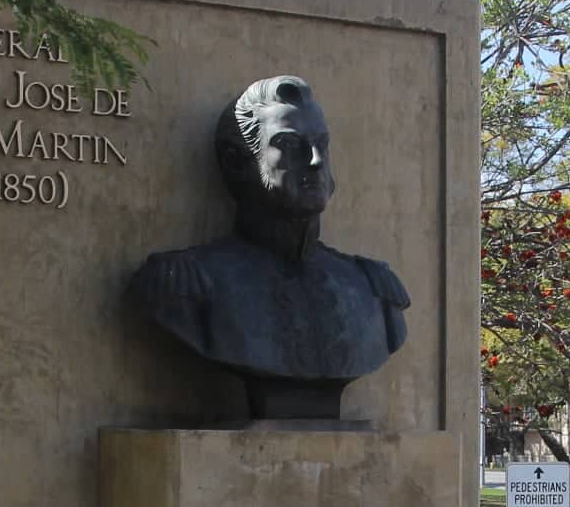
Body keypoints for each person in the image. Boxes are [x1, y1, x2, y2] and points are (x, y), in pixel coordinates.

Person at [128, 75, 411, 421]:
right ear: (236, 162)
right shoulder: (189, 284)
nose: (315, 160)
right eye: (290, 146)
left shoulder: (370, 288)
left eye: (322, 143)